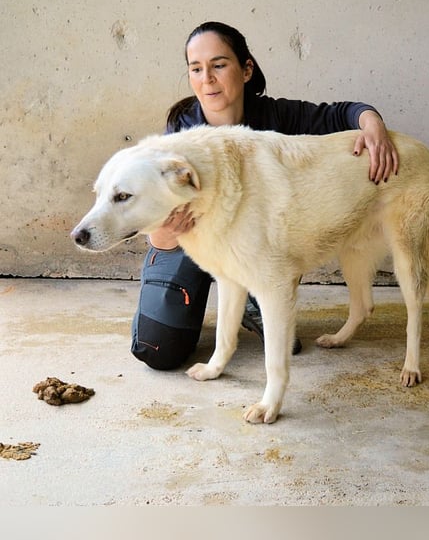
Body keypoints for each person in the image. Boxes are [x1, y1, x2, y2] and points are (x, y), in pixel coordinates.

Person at [131, 21, 399, 370]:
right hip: (184, 247)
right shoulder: (180, 135)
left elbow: (342, 112)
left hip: (251, 250)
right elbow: (160, 238)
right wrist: (171, 226)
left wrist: (373, 124)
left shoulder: (274, 116)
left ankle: (251, 302)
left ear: (246, 69)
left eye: (219, 64)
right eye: (196, 69)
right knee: (158, 352)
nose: (207, 78)